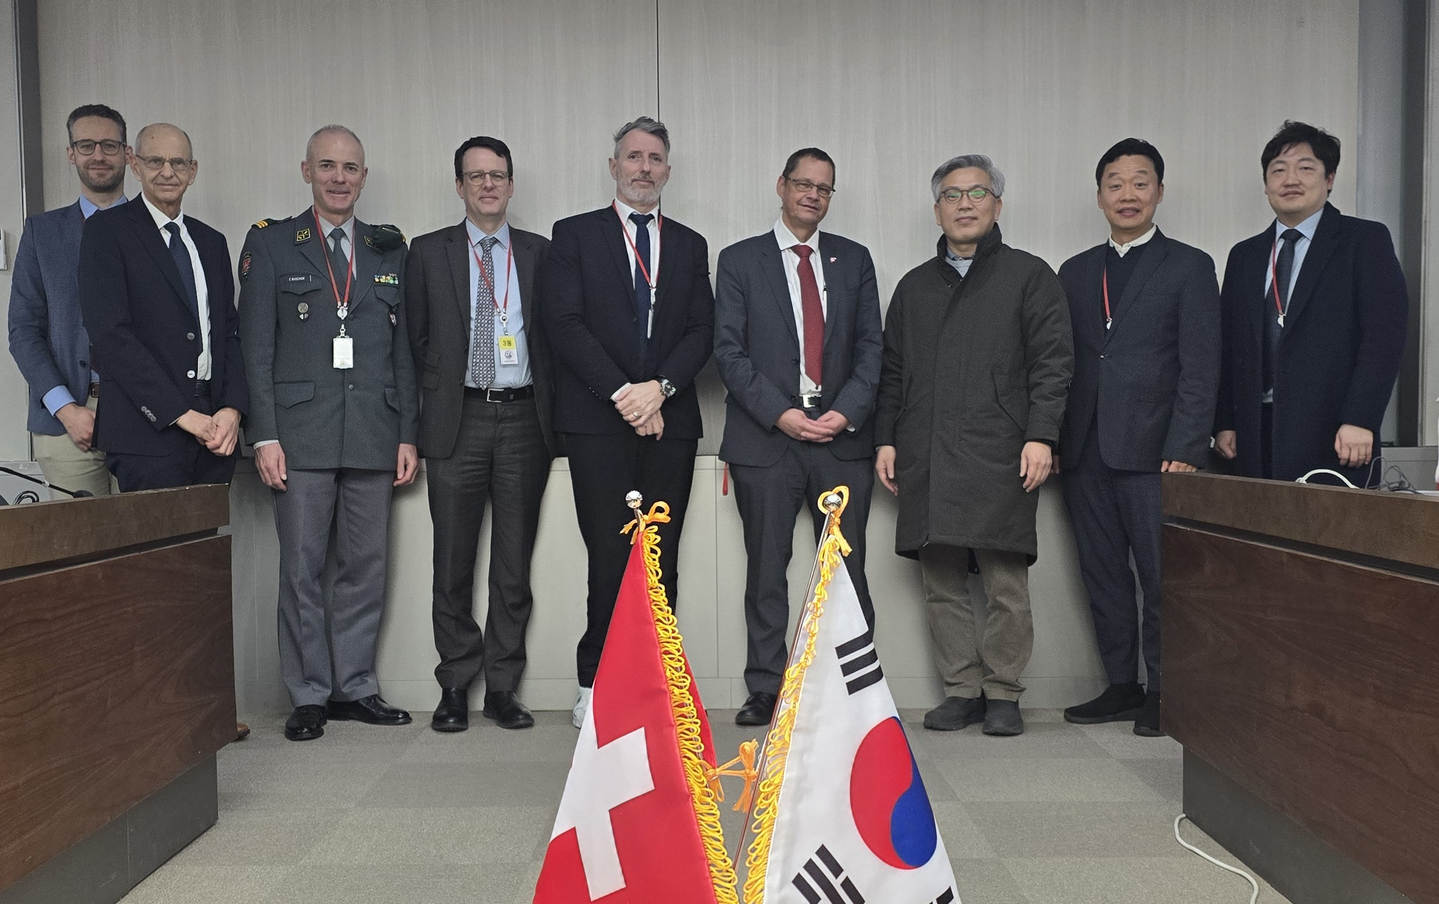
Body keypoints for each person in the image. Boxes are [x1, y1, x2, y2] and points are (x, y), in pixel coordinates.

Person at [874, 155, 1072, 737]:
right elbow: (892, 373)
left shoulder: (1030, 275)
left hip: (1002, 448)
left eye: (977, 193)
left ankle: (1003, 692)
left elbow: (1053, 364)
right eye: (952, 195)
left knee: (1006, 581)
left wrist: (1041, 435)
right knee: (942, 584)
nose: (965, 204)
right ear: (937, 209)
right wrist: (886, 439)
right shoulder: (913, 286)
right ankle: (960, 689)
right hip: (926, 449)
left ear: (997, 205)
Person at [237, 125, 419, 742]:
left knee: (365, 568)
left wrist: (408, 432)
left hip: (374, 430)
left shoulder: (388, 248)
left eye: (351, 168)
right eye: (327, 166)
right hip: (300, 434)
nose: (339, 178)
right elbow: (255, 351)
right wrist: (264, 435)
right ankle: (310, 693)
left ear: (364, 177)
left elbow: (403, 352)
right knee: (303, 569)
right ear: (307, 170)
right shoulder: (273, 246)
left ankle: (357, 688)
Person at [540, 116, 714, 728]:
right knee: (611, 557)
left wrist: (659, 391)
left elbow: (702, 331)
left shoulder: (691, 245)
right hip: (598, 421)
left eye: (655, 158)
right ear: (614, 167)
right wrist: (625, 395)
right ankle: (595, 682)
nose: (644, 167)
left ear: (668, 170)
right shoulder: (575, 235)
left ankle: (657, 684)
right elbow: (563, 324)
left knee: (661, 557)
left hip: (672, 419)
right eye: (633, 157)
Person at [714, 148, 883, 727]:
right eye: (803, 184)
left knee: (845, 569)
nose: (813, 195)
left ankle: (851, 686)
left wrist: (847, 411)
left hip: (840, 438)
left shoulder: (853, 260)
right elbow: (729, 354)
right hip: (767, 440)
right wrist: (780, 413)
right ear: (781, 186)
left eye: (824, 188)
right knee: (766, 569)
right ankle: (765, 688)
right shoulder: (739, 261)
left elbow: (871, 349)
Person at [1057, 139, 1220, 737]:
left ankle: (1164, 692)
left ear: (1158, 191)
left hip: (1158, 453)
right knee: (1101, 576)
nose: (1127, 194)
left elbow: (1202, 366)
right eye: (1115, 184)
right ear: (1099, 195)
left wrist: (1187, 445)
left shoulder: (1189, 265)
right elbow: (1061, 364)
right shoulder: (1074, 272)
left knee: (1160, 580)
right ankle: (1121, 685)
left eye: (1140, 182)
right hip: (1084, 450)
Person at [405, 136, 553, 732]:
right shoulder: (427, 252)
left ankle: (501, 687)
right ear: (460, 186)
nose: (488, 185)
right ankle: (453, 685)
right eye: (476, 176)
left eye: (498, 175)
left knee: (514, 564)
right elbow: (411, 347)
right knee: (453, 562)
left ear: (512, 185)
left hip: (524, 420)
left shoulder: (541, 254)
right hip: (455, 420)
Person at [1214, 121, 1407, 484]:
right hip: (1255, 435)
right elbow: (1229, 344)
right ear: (1266, 184)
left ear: (1329, 178)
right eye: (1278, 170)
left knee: (1326, 538)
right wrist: (1225, 421)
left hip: (1336, 432)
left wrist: (1361, 418)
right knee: (1256, 536)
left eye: (1306, 168)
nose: (1291, 179)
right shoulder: (1245, 255)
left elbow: (1384, 337)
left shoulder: (1364, 241)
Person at [77, 123, 248, 492]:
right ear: (134, 164)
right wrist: (182, 415)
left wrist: (232, 410)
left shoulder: (210, 241)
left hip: (214, 433)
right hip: (148, 433)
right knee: (161, 551)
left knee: (207, 548)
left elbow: (229, 334)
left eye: (178, 162)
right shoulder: (107, 232)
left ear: (193, 170)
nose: (167, 172)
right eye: (155, 161)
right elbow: (111, 336)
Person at [9, 104, 130, 496]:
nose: (98, 155)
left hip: (147, 417)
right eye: (86, 144)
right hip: (67, 423)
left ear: (127, 154)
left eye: (109, 145)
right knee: (82, 552)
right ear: (71, 153)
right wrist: (65, 409)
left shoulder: (156, 230)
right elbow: (23, 332)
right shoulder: (42, 233)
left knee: (150, 551)